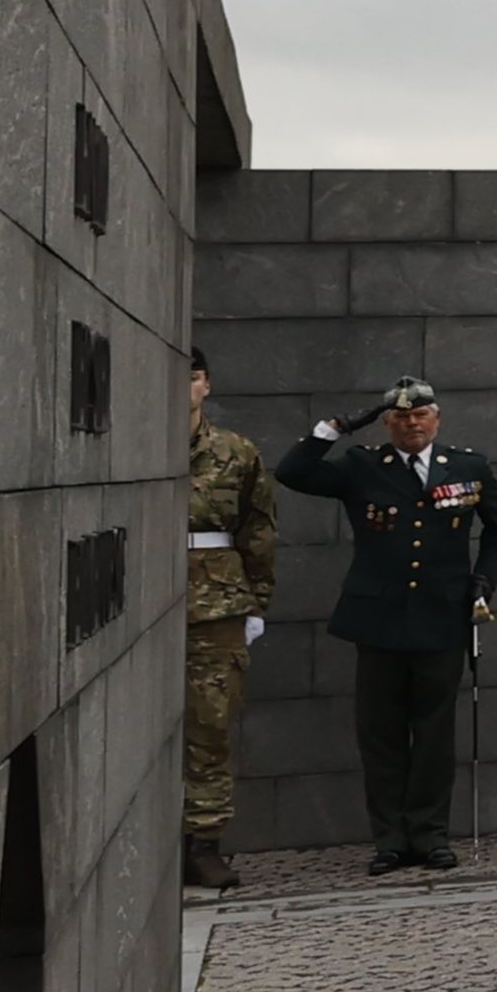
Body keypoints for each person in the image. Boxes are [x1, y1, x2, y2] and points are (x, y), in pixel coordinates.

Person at [275, 378, 497, 874]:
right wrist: (337, 428)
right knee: (381, 733)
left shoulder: (468, 467)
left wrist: (484, 580)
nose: (412, 424)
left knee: (434, 734)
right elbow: (292, 472)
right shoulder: (362, 466)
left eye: (421, 415)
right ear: (387, 424)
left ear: (437, 419)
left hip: (442, 616)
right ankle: (389, 839)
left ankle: (430, 835)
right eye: (402, 417)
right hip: (379, 619)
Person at [182, 348, 278, 891]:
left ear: (207, 385)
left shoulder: (235, 452)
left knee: (209, 726)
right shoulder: (135, 442)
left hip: (214, 605)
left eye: (193, 377)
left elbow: (258, 531)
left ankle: (203, 841)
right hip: (140, 597)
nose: (185, 387)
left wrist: (255, 602)